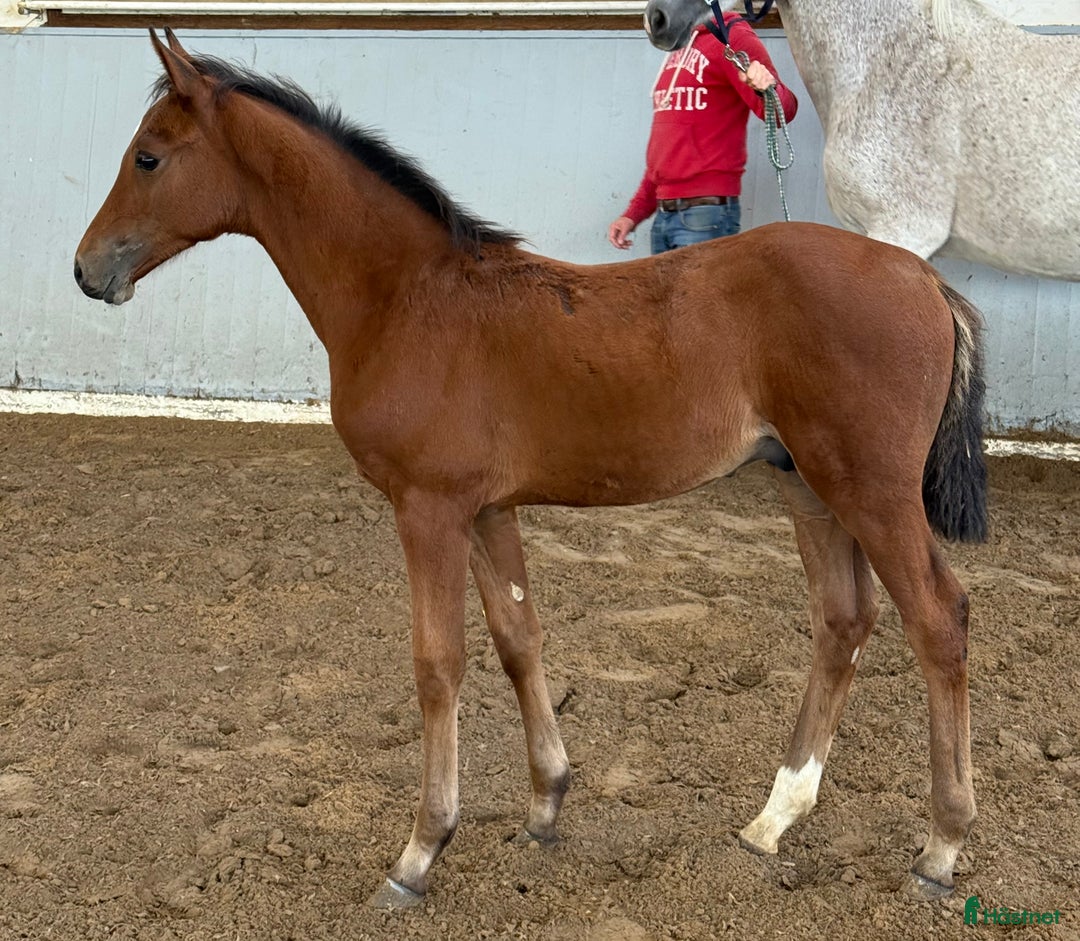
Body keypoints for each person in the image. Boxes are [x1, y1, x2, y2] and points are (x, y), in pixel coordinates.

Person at [608, 13, 798, 254]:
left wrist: (768, 88)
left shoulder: (731, 36)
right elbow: (665, 154)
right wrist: (633, 215)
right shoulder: (680, 45)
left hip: (705, 214)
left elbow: (783, 112)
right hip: (665, 217)